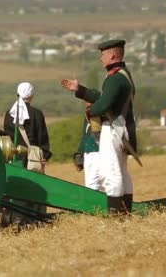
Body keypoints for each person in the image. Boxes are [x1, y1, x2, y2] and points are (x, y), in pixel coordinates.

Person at [60, 39, 136, 214]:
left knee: (112, 172)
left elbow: (103, 105)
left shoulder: (115, 78)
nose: (100, 58)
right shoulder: (123, 75)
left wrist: (90, 111)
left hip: (113, 128)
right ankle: (125, 211)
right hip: (123, 128)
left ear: (112, 55)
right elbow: (104, 97)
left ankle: (116, 214)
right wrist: (80, 90)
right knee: (122, 171)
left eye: (102, 55)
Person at [3, 82, 52, 170]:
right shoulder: (37, 113)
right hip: (33, 159)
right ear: (31, 95)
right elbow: (42, 137)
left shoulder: (9, 113)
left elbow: (7, 136)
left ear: (18, 94)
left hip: (13, 157)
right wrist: (44, 155)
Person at [73, 112, 102, 191]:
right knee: (91, 186)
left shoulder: (101, 110)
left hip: (101, 152)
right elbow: (85, 135)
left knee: (96, 186)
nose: (87, 103)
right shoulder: (88, 114)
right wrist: (80, 154)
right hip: (89, 153)